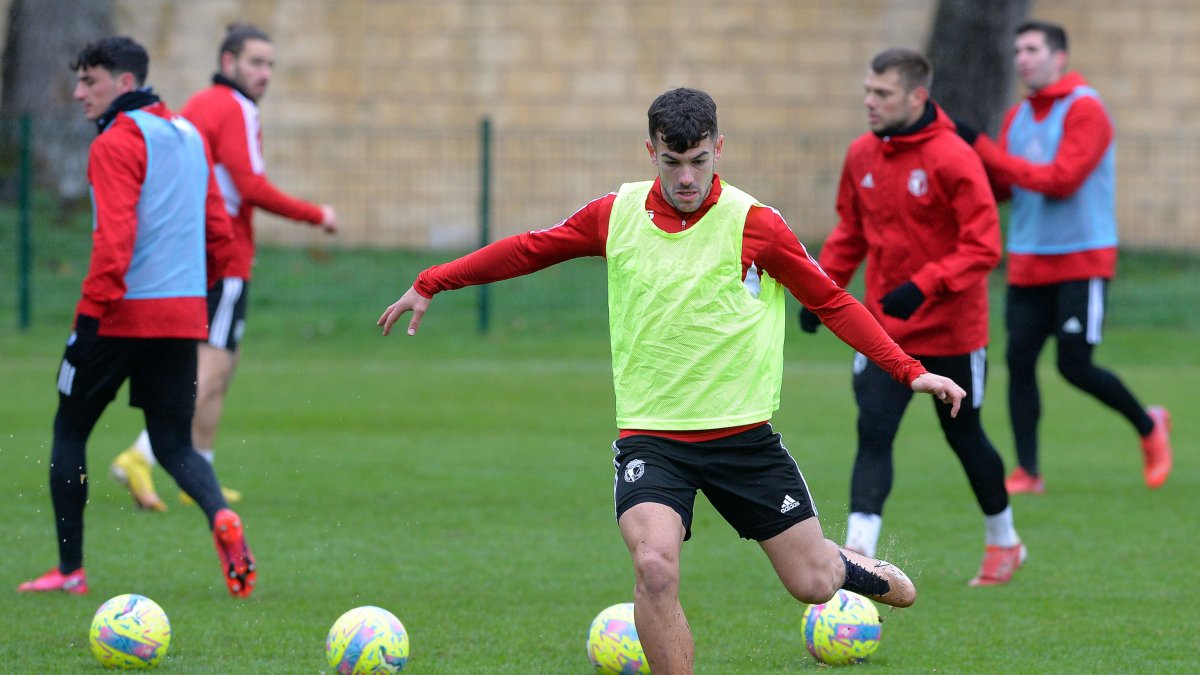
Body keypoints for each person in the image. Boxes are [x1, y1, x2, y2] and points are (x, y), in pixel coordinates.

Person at [378, 87, 968, 673]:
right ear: (651, 151)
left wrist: (909, 371)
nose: (686, 177)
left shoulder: (756, 225)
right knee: (654, 567)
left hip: (743, 439)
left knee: (812, 584)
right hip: (653, 438)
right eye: (672, 162)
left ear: (719, 148)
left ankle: (849, 568)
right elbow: (529, 249)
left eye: (698, 161)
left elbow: (834, 301)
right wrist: (433, 280)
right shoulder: (616, 215)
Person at [17, 36, 255, 598]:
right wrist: (197, 295)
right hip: (181, 318)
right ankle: (220, 514)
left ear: (124, 83)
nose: (78, 94)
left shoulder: (116, 142)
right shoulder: (188, 135)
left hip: (120, 315)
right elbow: (219, 233)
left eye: (89, 82)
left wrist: (87, 321)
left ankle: (71, 571)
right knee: (173, 443)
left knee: (70, 428)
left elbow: (114, 245)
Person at [798, 48, 1023, 586]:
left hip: (953, 332)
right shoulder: (861, 155)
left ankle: (1004, 540)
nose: (870, 103)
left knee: (965, 436)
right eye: (868, 92)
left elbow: (984, 245)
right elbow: (851, 230)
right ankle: (856, 557)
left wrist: (925, 285)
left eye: (883, 94)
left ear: (917, 97)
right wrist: (821, 290)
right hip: (884, 332)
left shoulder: (953, 156)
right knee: (873, 432)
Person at [109, 23, 338, 511]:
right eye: (256, 62)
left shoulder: (198, 105)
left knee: (222, 367)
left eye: (271, 65)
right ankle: (140, 454)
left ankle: (200, 477)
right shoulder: (233, 107)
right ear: (228, 61)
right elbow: (250, 185)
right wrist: (316, 214)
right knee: (209, 369)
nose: (265, 74)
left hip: (196, 252)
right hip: (224, 253)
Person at [958, 20, 1173, 493]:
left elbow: (1062, 180)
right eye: (1017, 50)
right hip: (1028, 259)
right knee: (1019, 360)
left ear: (1059, 57)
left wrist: (985, 150)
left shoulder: (1086, 110)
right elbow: (1007, 184)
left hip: (1081, 259)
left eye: (1032, 49)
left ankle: (1149, 424)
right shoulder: (1017, 116)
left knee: (1075, 364)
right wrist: (967, 170)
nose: (1022, 59)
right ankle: (1028, 472)